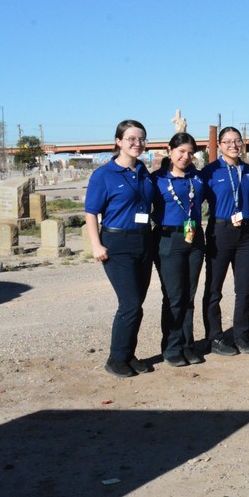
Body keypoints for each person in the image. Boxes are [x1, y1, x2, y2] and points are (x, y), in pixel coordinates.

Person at [84, 120, 157, 378]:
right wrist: (96, 245)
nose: (137, 144)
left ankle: (128, 355)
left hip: (143, 241)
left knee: (138, 303)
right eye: (131, 139)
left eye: (141, 139)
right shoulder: (104, 175)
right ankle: (115, 359)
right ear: (118, 142)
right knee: (130, 303)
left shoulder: (143, 172)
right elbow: (91, 212)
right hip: (117, 244)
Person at [200, 127, 249, 355]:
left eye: (237, 141)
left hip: (245, 233)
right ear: (219, 144)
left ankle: (241, 335)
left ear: (242, 143)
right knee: (214, 288)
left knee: (244, 288)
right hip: (220, 230)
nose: (233, 145)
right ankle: (214, 337)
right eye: (227, 141)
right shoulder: (210, 172)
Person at [152, 132, 206, 367]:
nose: (185, 157)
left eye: (190, 153)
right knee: (174, 296)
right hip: (168, 238)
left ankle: (187, 344)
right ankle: (172, 347)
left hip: (194, 236)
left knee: (190, 295)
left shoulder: (198, 178)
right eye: (181, 151)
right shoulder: (156, 179)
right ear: (169, 150)